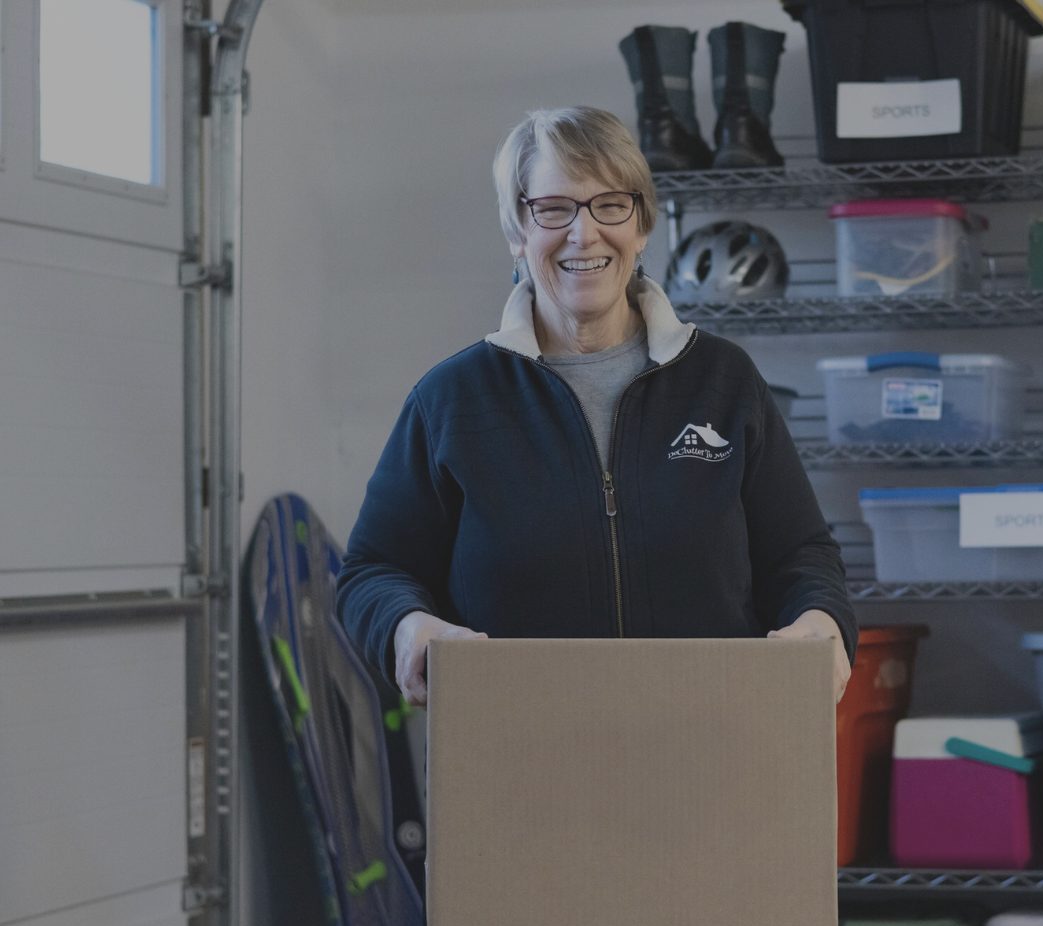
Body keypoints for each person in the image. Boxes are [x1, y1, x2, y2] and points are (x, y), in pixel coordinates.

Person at [337, 104, 855, 723]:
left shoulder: (723, 381)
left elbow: (801, 554)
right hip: (515, 752)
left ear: (640, 227)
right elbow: (373, 571)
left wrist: (820, 624)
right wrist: (406, 625)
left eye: (611, 204)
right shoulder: (453, 399)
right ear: (516, 232)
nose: (584, 234)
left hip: (710, 745)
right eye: (553, 209)